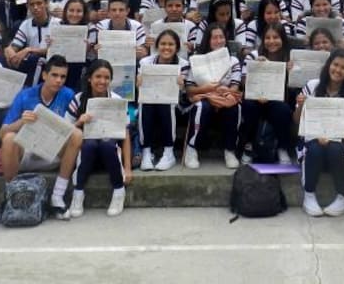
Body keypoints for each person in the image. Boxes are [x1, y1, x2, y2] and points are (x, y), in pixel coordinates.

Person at [0, 55, 82, 219]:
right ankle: (11, 194)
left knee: (77, 134)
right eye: (54, 75)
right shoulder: (24, 95)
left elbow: (73, 127)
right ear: (44, 75)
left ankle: (57, 196)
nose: (59, 80)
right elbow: (1, 134)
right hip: (26, 154)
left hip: (54, 153)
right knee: (9, 139)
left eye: (63, 77)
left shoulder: (68, 94)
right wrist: (21, 122)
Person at [296, 47, 344, 217]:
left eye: (343, 68)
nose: (337, 70)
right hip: (312, 141)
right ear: (329, 64)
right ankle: (309, 195)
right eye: (335, 64)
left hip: (340, 145)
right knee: (314, 147)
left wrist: (332, 137)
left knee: (335, 148)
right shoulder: (312, 86)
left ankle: (343, 197)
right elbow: (296, 122)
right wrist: (301, 105)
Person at [67, 60, 134, 217]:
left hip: (109, 153)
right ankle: (78, 193)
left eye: (106, 77)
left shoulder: (117, 100)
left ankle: (118, 190)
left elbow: (125, 135)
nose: (102, 81)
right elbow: (65, 131)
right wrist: (79, 122)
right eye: (98, 76)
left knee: (106, 143)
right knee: (89, 144)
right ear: (89, 78)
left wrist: (128, 167)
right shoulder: (78, 99)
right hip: (86, 155)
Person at [184, 23, 243, 169]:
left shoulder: (233, 60)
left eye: (221, 37)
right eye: (214, 38)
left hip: (224, 97)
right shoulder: (197, 59)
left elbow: (234, 88)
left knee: (235, 108)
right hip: (204, 96)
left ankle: (229, 150)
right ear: (208, 40)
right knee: (200, 107)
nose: (218, 41)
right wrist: (207, 89)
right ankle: (192, 148)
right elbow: (190, 89)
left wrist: (224, 90)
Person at [239, 23, 295, 163]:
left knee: (283, 110)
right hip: (255, 98)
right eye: (267, 38)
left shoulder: (289, 58)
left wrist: (290, 73)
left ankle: (283, 148)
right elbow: (244, 84)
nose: (271, 41)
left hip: (278, 99)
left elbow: (293, 87)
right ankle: (249, 145)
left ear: (283, 39)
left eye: (276, 37)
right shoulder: (253, 55)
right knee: (249, 106)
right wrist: (256, 69)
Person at [137, 29, 187, 171]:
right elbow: (141, 89)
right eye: (163, 44)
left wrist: (181, 85)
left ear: (177, 47)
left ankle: (168, 151)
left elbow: (186, 93)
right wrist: (138, 82)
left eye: (171, 44)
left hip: (176, 104)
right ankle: (147, 151)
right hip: (151, 101)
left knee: (166, 104)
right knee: (144, 103)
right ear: (157, 46)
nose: (166, 47)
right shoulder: (145, 62)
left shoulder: (183, 64)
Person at [6, 0, 60, 85]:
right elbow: (15, 46)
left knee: (33, 59)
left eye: (39, 3)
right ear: (27, 6)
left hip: (51, 63)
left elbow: (55, 50)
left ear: (47, 3)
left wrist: (29, 50)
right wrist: (10, 52)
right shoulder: (25, 24)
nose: (35, 7)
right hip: (31, 64)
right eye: (32, 5)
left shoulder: (58, 24)